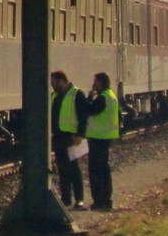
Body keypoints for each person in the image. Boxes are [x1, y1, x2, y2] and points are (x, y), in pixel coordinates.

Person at [50, 70, 89, 210]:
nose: (52, 85)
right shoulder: (54, 96)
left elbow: (83, 116)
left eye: (54, 82)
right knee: (62, 169)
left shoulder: (76, 94)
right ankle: (65, 199)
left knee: (74, 169)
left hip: (72, 138)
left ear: (61, 80)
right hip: (59, 137)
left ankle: (79, 200)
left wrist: (80, 134)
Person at [85, 71, 121, 210]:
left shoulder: (102, 98)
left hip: (98, 137)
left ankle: (99, 201)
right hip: (106, 137)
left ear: (101, 83)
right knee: (104, 169)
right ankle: (106, 200)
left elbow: (90, 110)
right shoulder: (112, 96)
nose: (93, 85)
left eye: (95, 82)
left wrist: (89, 98)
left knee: (95, 171)